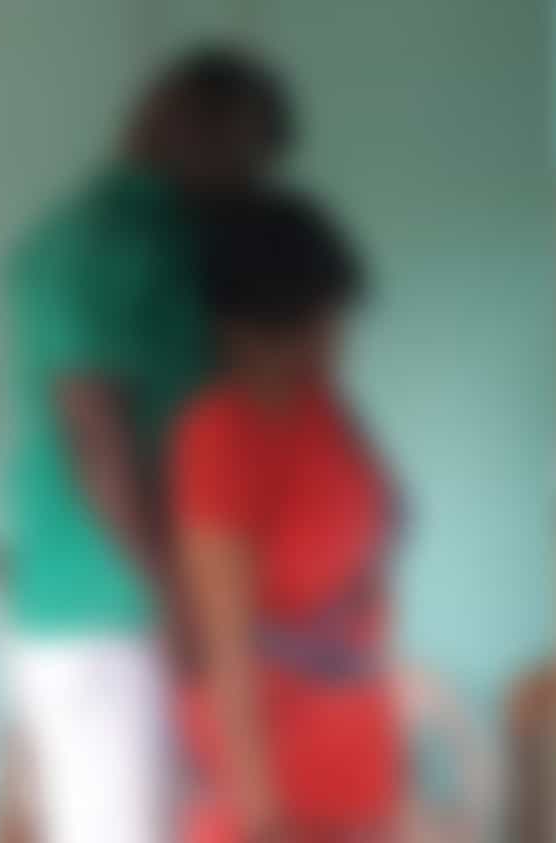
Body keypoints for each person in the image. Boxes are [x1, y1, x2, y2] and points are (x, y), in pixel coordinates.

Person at [4, 46, 291, 843]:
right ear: (174, 115)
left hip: (148, 606)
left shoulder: (172, 241)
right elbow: (95, 429)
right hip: (110, 616)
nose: (248, 182)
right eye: (243, 151)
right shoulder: (100, 239)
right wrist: (175, 595)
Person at [172, 192, 401, 841]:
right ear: (240, 326)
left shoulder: (325, 409)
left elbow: (367, 546)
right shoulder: (220, 433)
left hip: (354, 733)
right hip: (271, 759)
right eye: (308, 325)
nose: (329, 342)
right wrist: (260, 815)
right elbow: (225, 641)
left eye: (331, 322)